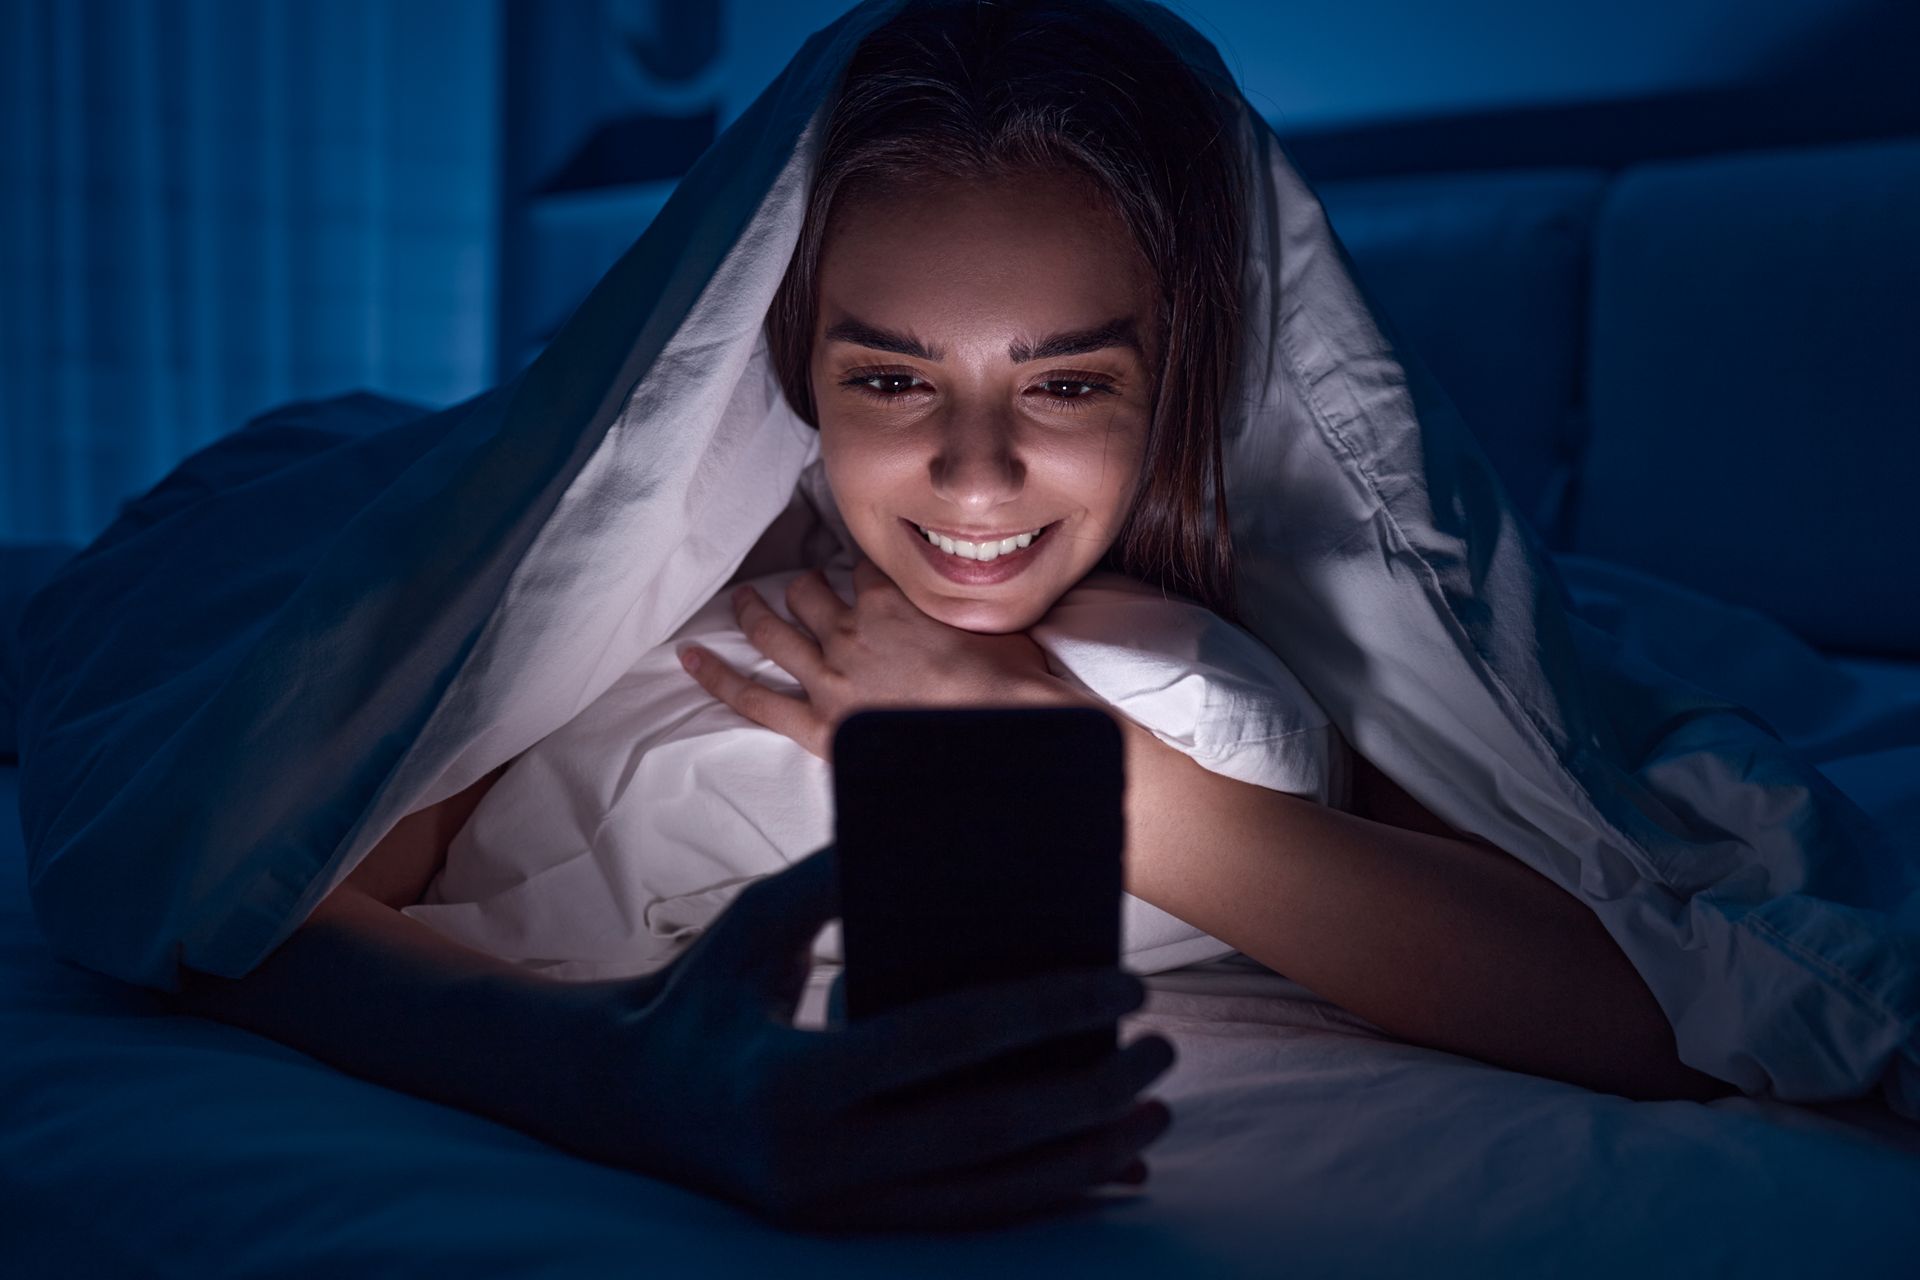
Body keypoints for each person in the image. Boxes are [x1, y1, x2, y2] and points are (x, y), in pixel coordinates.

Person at [58, 0, 1796, 1238]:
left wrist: (1041, 742)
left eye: (1068, 381)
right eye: (890, 374)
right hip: (315, 489)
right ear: (791, 363)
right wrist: (620, 1077)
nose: (973, 478)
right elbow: (265, 896)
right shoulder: (647, 537)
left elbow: (1626, 1018)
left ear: (1180, 374)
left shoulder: (1275, 557)